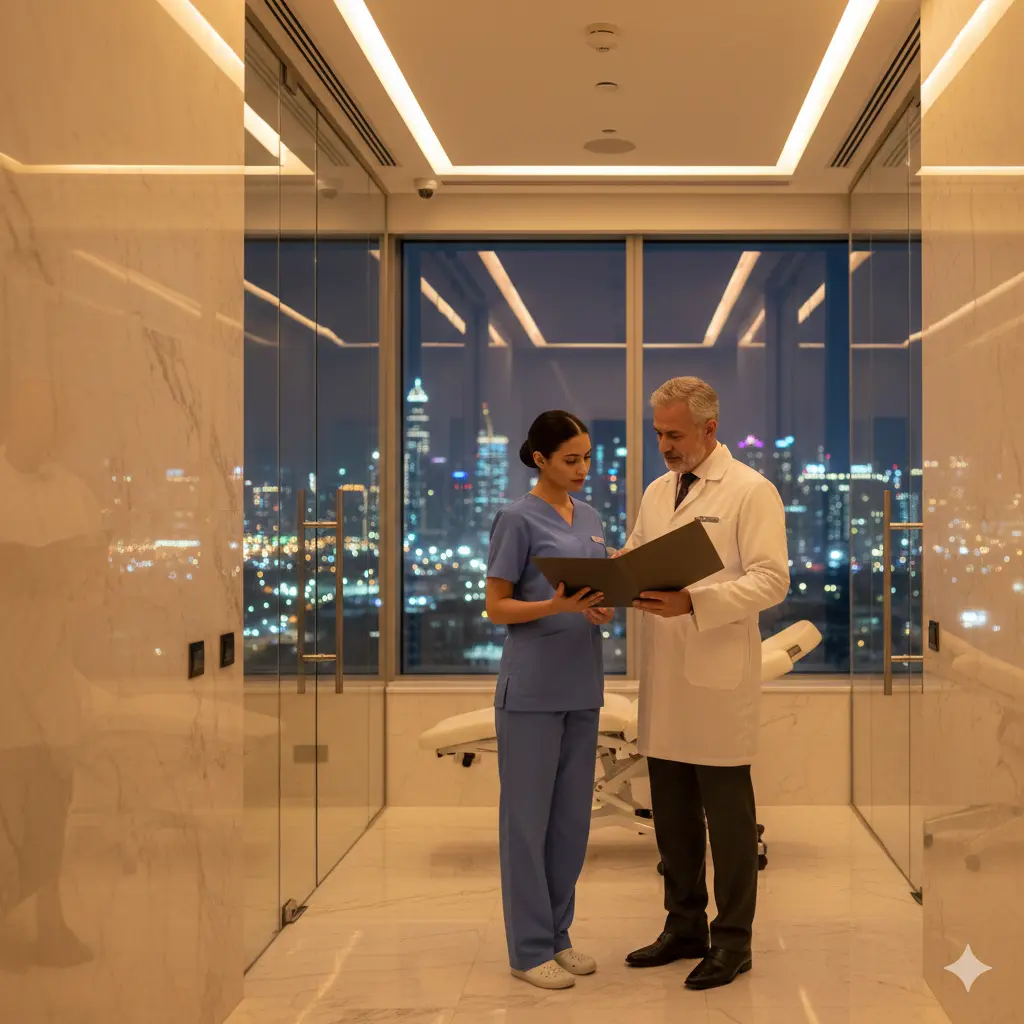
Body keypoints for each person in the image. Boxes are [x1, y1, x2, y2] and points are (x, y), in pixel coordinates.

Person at [621, 377, 790, 991]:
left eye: (674, 433)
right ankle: (683, 926)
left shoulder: (751, 490)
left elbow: (772, 581)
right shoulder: (657, 491)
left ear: (709, 429)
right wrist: (610, 575)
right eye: (658, 433)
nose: (663, 445)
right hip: (665, 679)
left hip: (718, 680)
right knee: (672, 816)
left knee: (729, 820)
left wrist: (694, 601)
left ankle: (734, 942)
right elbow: (639, 552)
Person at [485, 410, 614, 991]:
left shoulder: (588, 516)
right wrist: (553, 608)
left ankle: (559, 937)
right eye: (571, 459)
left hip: (582, 684)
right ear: (540, 459)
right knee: (526, 823)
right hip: (532, 690)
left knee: (570, 825)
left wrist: (599, 605)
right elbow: (497, 607)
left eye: (587, 457)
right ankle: (527, 948)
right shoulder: (516, 518)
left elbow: (590, 591)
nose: (583, 468)